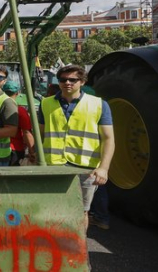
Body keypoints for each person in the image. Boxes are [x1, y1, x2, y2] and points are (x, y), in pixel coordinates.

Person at [39, 64, 114, 231]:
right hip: (54, 167)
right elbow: (41, 134)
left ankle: (78, 251)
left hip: (84, 168)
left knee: (81, 212)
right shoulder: (46, 104)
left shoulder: (99, 105)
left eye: (73, 80)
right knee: (53, 210)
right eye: (63, 80)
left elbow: (108, 139)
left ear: (82, 82)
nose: (67, 83)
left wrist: (104, 168)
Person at [2, 81, 36, 166]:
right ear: (18, 93)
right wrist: (32, 152)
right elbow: (26, 133)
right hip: (15, 149)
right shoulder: (20, 111)